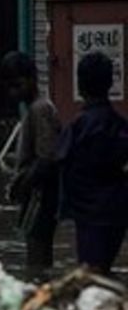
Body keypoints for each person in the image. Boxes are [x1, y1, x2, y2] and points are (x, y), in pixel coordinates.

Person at [56, 51, 128, 273]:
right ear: (109, 84)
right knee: (101, 271)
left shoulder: (77, 127)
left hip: (87, 215)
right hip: (116, 213)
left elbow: (58, 162)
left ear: (80, 85)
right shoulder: (120, 125)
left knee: (90, 276)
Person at [2, 51, 61, 269]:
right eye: (10, 86)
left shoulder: (40, 109)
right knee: (35, 247)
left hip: (41, 195)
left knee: (37, 251)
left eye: (17, 85)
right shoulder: (34, 109)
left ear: (32, 79)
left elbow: (47, 159)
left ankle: (39, 289)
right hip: (36, 193)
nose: (13, 92)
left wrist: (21, 184)